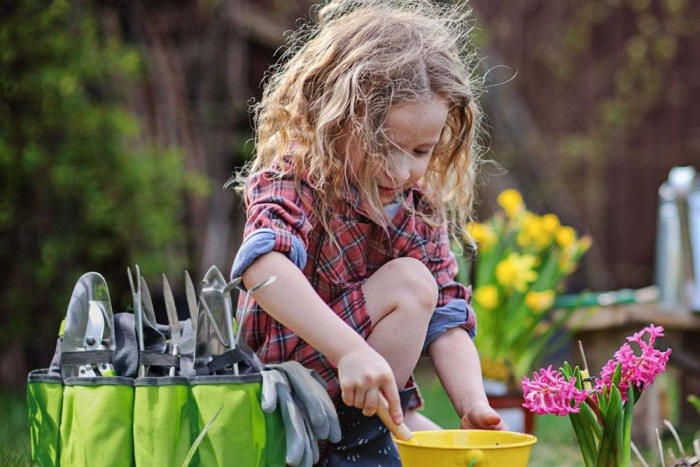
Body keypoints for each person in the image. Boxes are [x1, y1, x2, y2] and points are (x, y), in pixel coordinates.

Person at [228, 0, 508, 464]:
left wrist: (473, 403)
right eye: (384, 145)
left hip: (367, 396)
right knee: (411, 284)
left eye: (421, 150)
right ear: (336, 121)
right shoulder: (298, 178)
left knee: (457, 459)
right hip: (282, 390)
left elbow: (449, 317)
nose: (402, 170)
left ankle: (362, 437)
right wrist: (352, 351)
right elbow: (261, 266)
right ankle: (350, 442)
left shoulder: (418, 208)